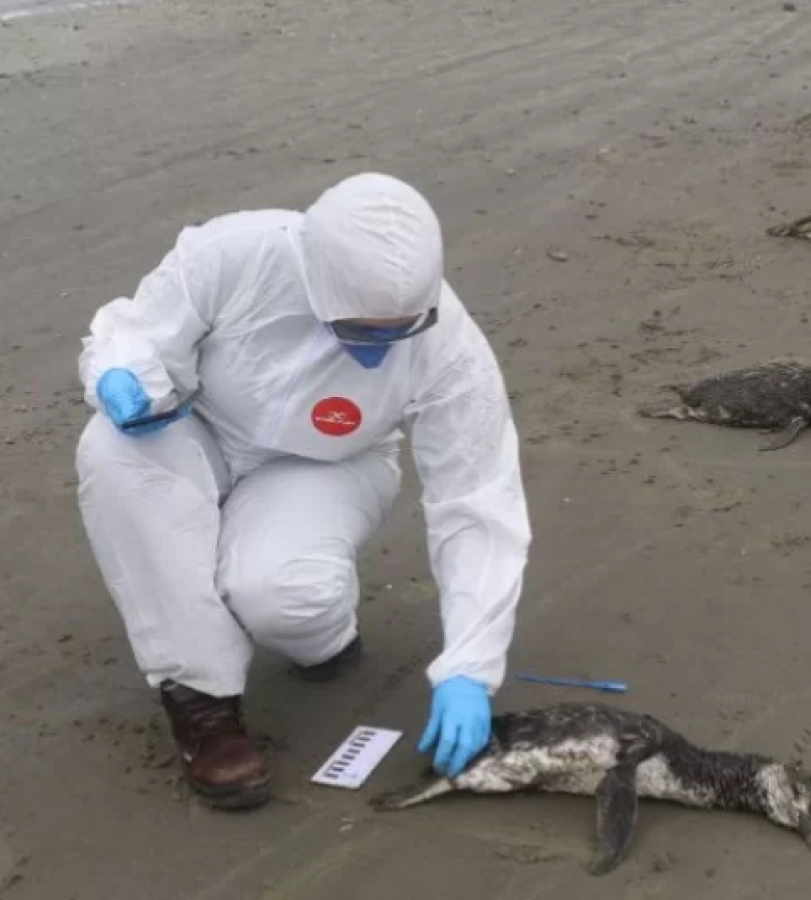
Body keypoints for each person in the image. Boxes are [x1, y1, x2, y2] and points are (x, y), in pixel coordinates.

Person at [73, 172, 532, 811]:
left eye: (400, 329)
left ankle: (322, 636)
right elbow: (137, 332)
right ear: (317, 284)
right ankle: (201, 698)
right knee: (110, 451)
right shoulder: (233, 254)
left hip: (330, 463)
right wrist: (125, 375)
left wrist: (470, 669)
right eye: (363, 330)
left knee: (280, 595)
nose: (381, 348)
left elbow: (477, 502)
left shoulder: (450, 350)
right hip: (196, 427)